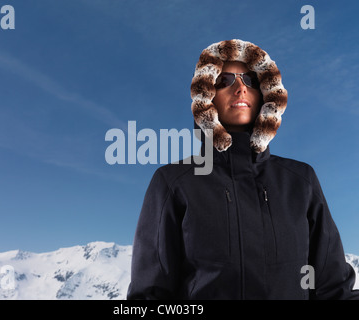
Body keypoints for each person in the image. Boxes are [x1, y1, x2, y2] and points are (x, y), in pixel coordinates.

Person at [127, 39, 359, 300]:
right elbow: (150, 297)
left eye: (250, 80)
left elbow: (333, 288)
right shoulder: (174, 182)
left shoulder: (300, 180)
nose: (240, 88)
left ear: (266, 93)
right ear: (206, 96)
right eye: (224, 80)